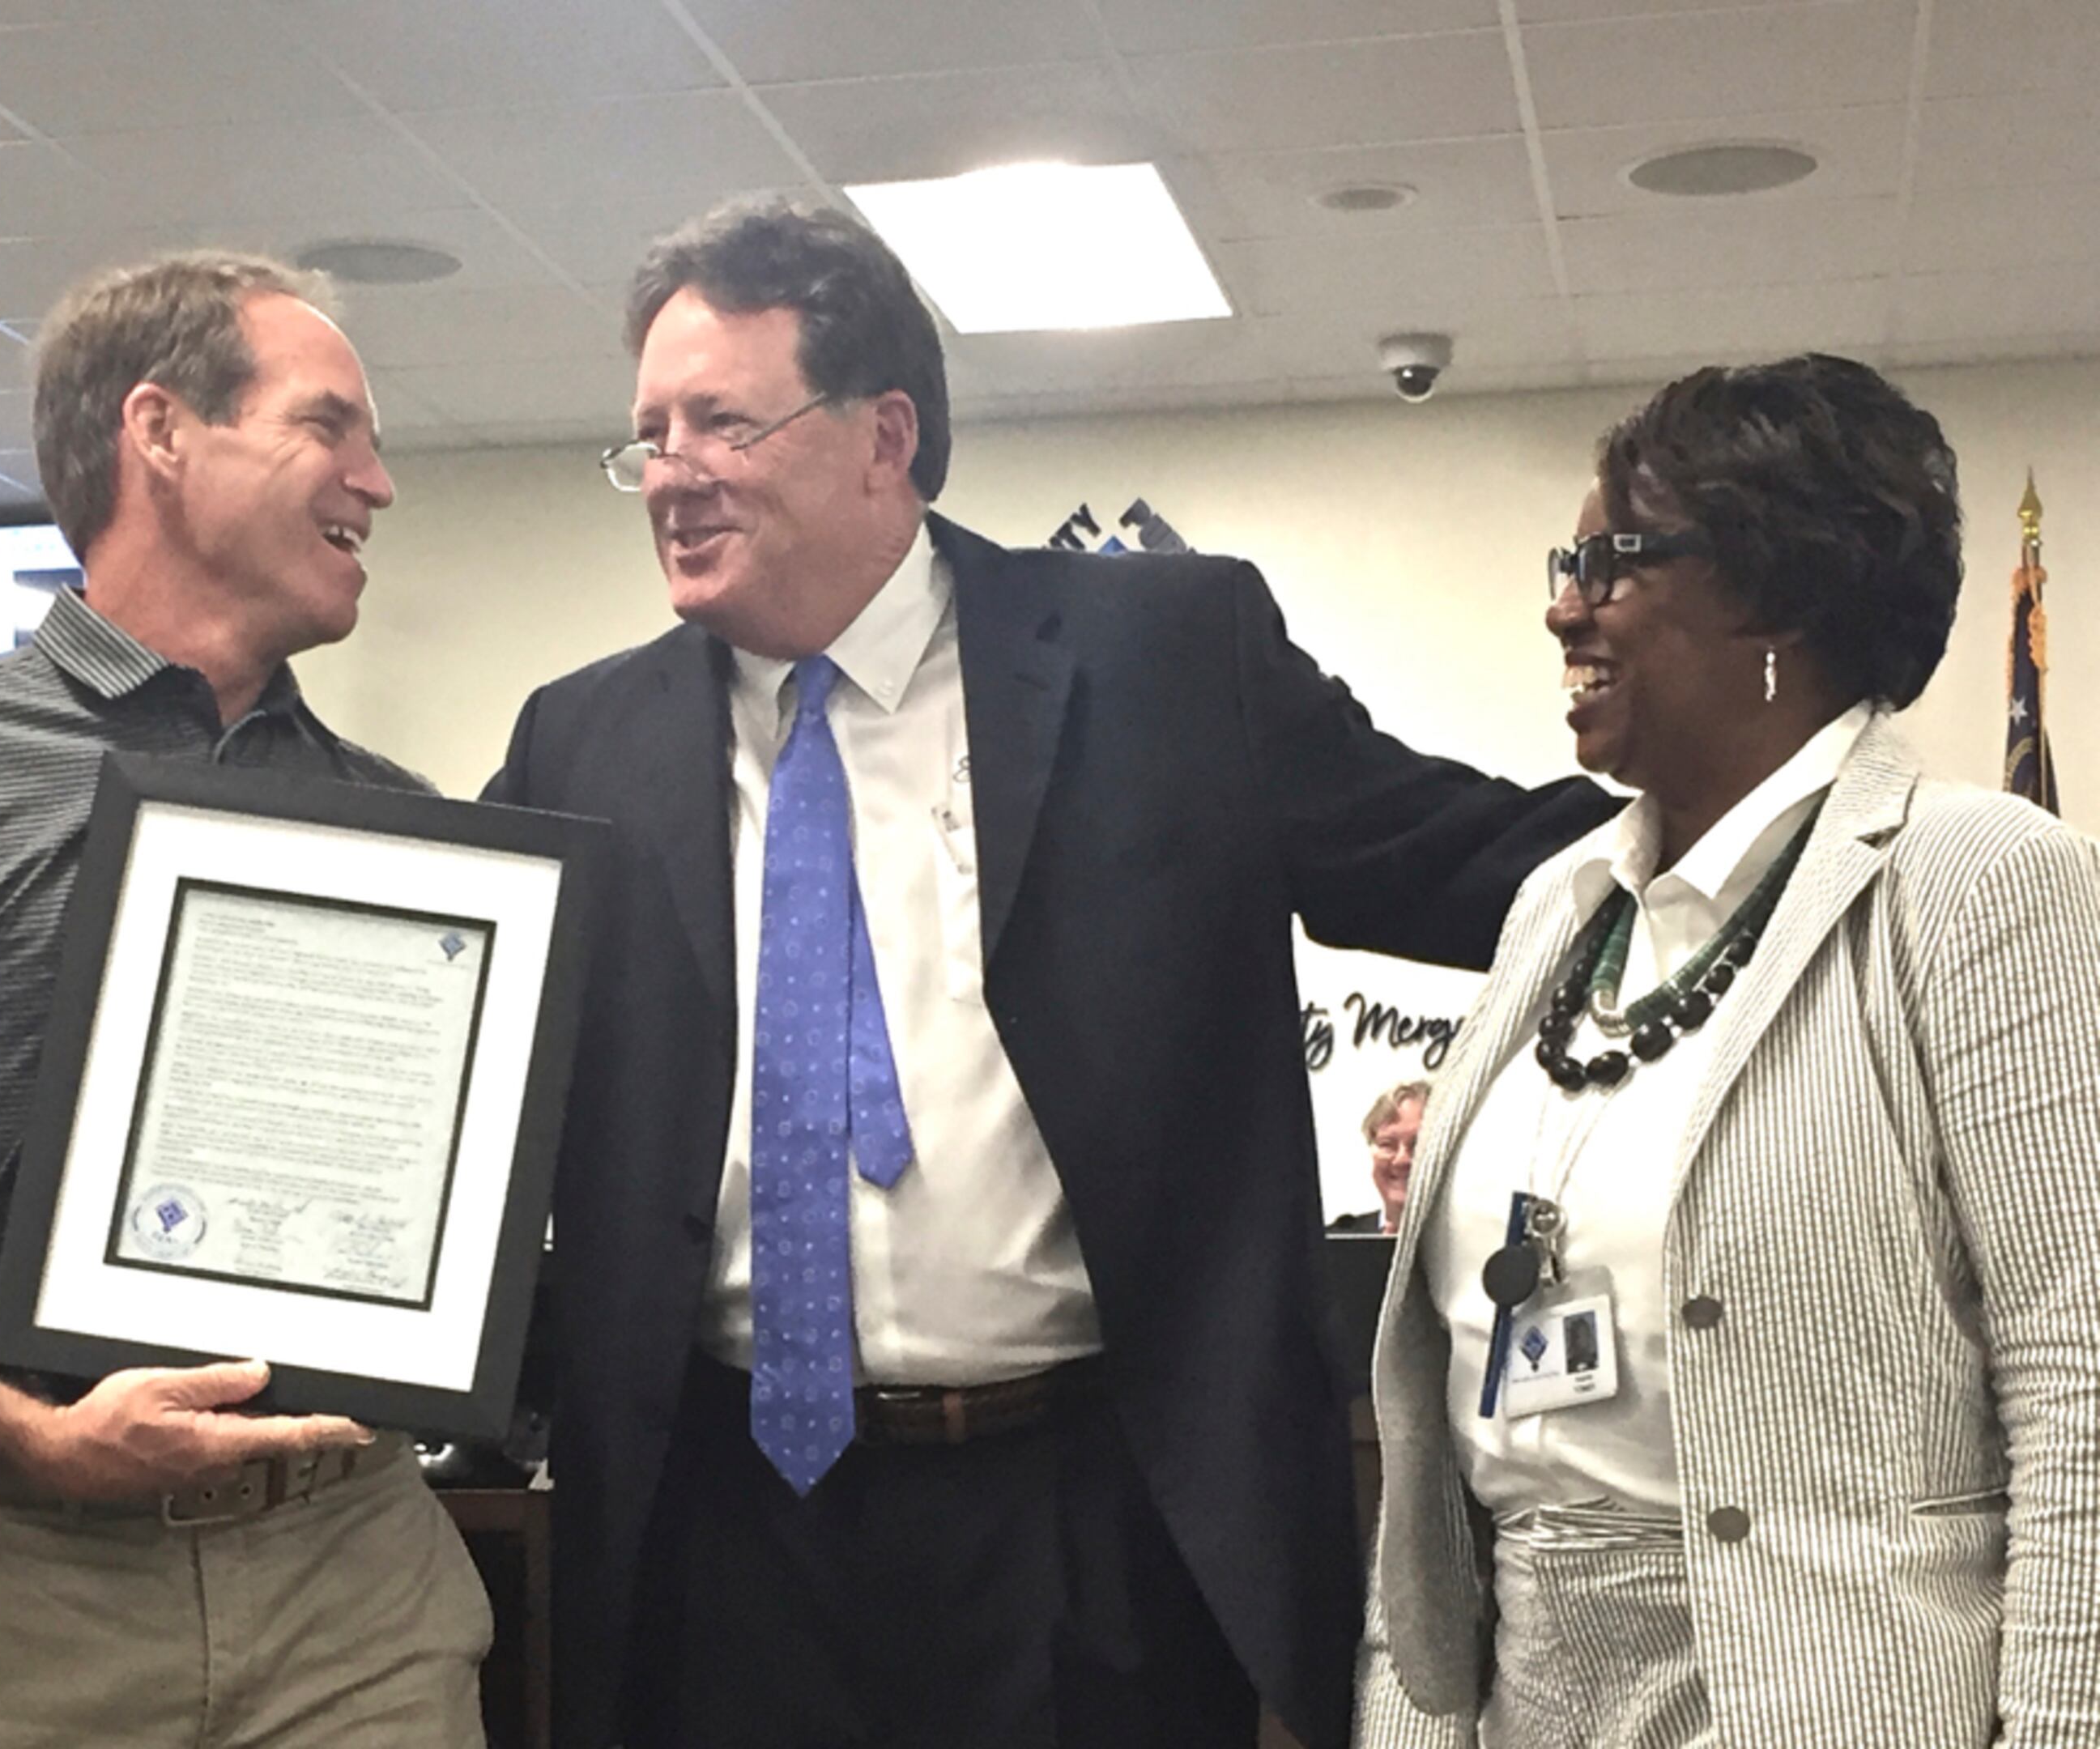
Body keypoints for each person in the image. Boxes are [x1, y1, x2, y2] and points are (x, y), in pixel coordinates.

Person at [482, 197, 1618, 1749]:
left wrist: (1762, 830)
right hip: (724, 1529)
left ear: (884, 434)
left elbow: (1461, 860)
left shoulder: (1164, 656)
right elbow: (454, 1064)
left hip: (1090, 1517)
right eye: (649, 434)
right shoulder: (579, 741)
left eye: (721, 425)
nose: (669, 475)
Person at [0, 253, 492, 1749]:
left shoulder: (406, 829)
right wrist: (29, 1428)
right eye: (329, 427)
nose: (377, 480)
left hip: (353, 1576)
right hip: (21, 1591)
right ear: (160, 433)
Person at [1359, 355, 2100, 1747]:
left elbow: (2081, 1378)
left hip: (1830, 1696)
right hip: (1528, 1691)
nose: (1561, 602)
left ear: (1781, 592)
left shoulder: (1976, 881)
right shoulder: (1557, 908)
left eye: (1608, 559)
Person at [1331, 1082, 1428, 1234]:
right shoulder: (1332, 1244)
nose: (1402, 1160)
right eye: (1387, 1145)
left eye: (1417, 1145)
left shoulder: (1470, 1245)